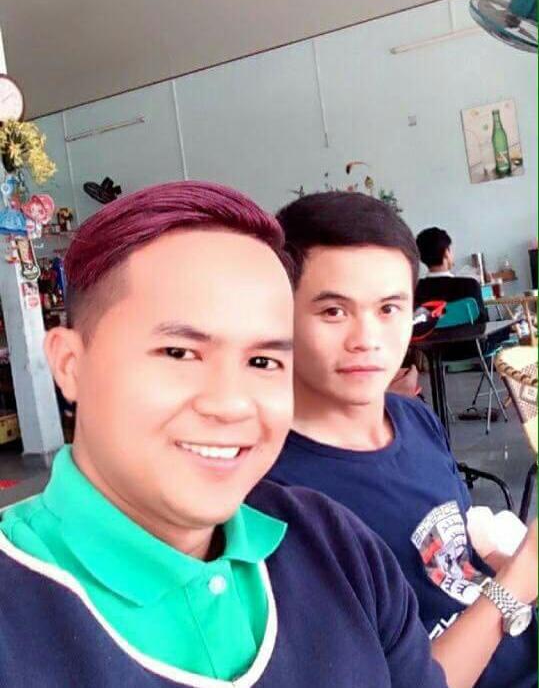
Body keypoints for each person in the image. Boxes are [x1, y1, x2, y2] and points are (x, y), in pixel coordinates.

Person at [0, 182, 446, 687]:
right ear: (69, 364)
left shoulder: (336, 547)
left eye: (263, 361)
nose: (231, 403)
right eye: (179, 353)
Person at [268, 191, 537, 688]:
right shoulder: (279, 496)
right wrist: (520, 579)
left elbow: (456, 565)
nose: (367, 339)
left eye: (389, 308)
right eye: (333, 311)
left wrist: (513, 566)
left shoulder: (414, 419)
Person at [415, 227, 488, 322]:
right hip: (468, 332)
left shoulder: (415, 289)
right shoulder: (469, 285)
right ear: (446, 252)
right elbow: (482, 322)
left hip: (433, 332)